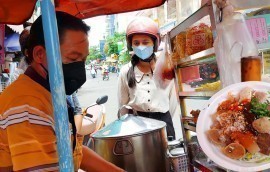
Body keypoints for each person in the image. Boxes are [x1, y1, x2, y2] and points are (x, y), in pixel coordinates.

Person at [0, 11, 123, 172]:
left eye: (83, 60)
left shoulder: (48, 92)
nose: (79, 68)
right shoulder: (27, 106)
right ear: (39, 54)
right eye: (72, 59)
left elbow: (71, 152)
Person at [117, 17, 178, 139]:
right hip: (136, 124)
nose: (141, 47)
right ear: (131, 45)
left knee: (167, 156)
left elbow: (172, 101)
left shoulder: (166, 68)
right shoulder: (125, 71)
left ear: (154, 44)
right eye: (136, 43)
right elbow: (122, 104)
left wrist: (161, 116)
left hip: (164, 122)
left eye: (145, 42)